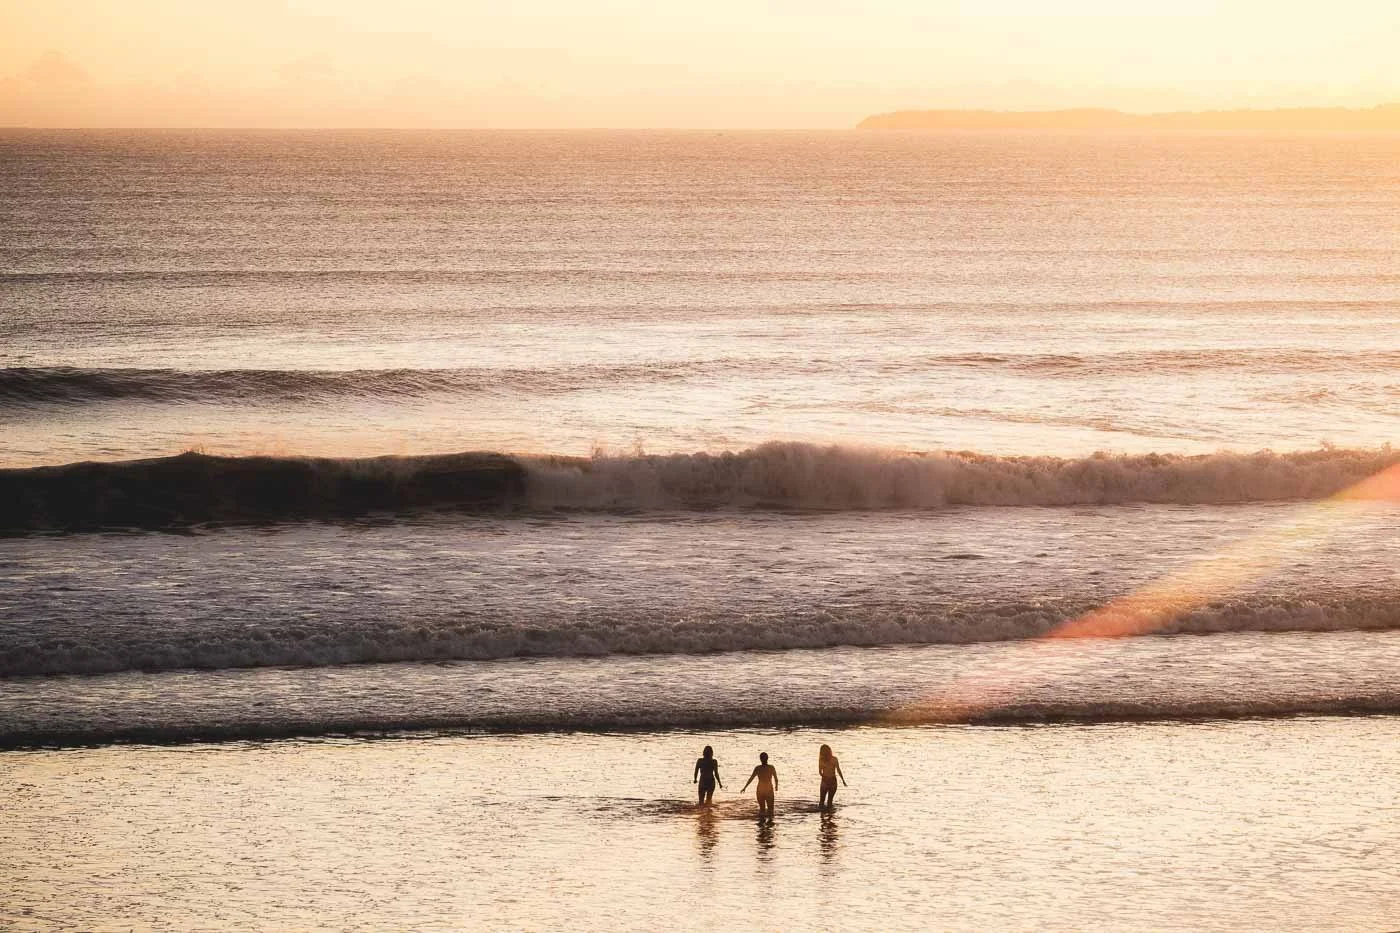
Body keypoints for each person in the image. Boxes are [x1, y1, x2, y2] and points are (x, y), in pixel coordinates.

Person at [741, 751, 779, 821]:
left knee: (762, 810)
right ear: (767, 758)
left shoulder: (758, 768)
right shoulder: (771, 767)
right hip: (768, 789)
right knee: (770, 810)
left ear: (760, 759)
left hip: (760, 790)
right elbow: (776, 779)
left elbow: (751, 778)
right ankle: (769, 826)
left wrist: (745, 787)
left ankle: (761, 827)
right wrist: (776, 787)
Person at [817, 744, 847, 810]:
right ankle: (830, 817)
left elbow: (820, 772)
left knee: (821, 802)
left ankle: (822, 818)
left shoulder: (821, 760)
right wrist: (843, 781)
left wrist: (824, 776)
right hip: (833, 781)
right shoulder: (834, 759)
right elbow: (838, 770)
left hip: (825, 781)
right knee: (830, 802)